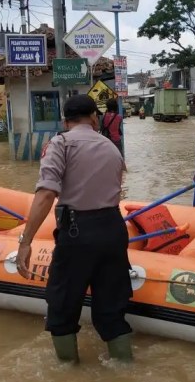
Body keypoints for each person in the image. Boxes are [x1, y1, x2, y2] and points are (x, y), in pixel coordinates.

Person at [15, 95, 133, 363]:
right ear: (95, 117)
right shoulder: (112, 147)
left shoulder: (61, 144)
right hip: (114, 231)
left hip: (77, 233)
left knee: (62, 308)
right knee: (112, 309)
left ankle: (68, 376)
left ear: (64, 121)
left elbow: (46, 194)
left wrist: (26, 240)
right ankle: (124, 371)